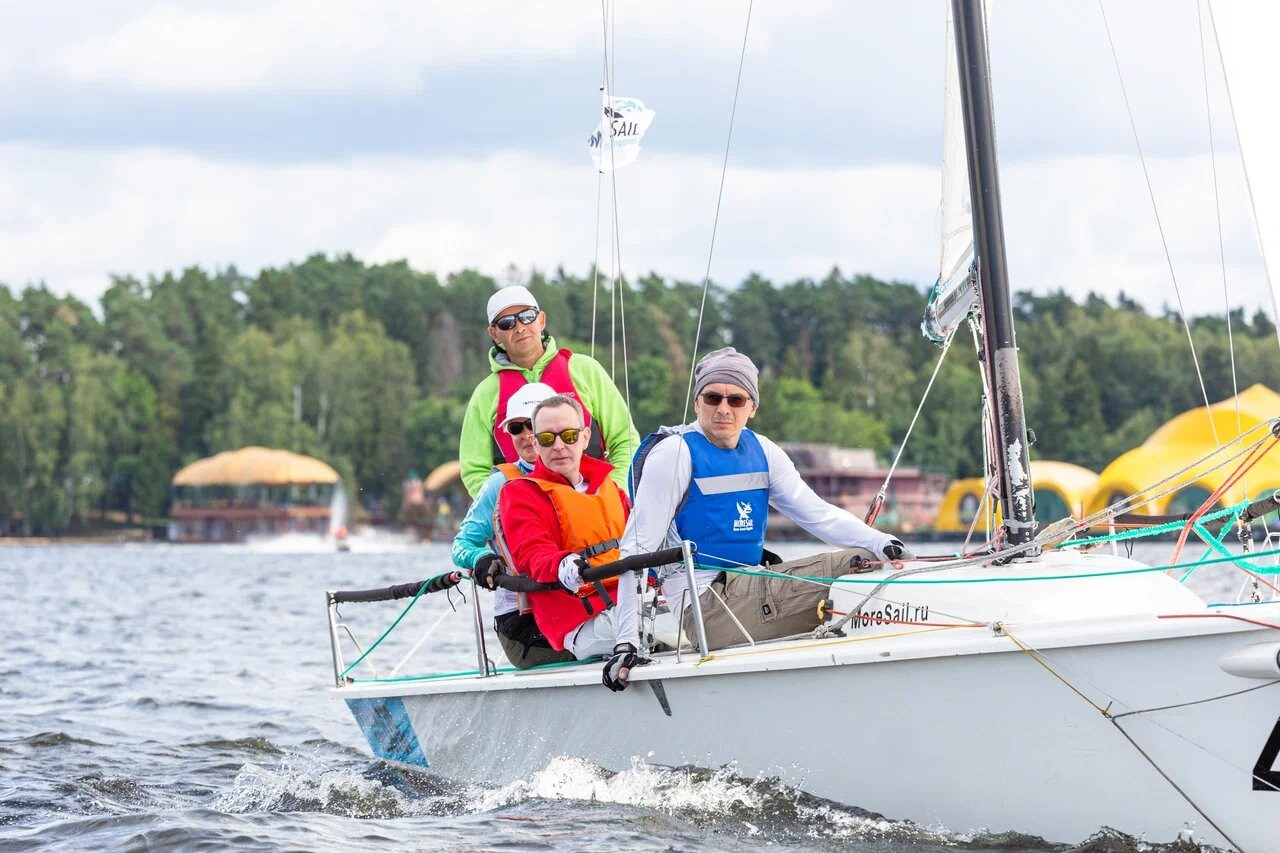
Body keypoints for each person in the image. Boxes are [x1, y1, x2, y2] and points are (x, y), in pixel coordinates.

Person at [611, 346, 914, 680]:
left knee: (873, 558)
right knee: (856, 566)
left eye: (736, 400)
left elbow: (818, 515)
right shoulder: (675, 455)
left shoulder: (764, 451)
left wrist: (881, 541)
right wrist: (626, 644)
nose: (723, 409)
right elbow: (635, 551)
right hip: (706, 607)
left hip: (750, 589)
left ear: (752, 407)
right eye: (712, 398)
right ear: (697, 402)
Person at [493, 394, 638, 685]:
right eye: (547, 439)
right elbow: (531, 553)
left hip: (630, 604)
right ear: (535, 444)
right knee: (668, 626)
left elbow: (643, 539)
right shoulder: (520, 493)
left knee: (686, 613)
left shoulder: (612, 489)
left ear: (585, 437)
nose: (559, 446)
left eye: (569, 436)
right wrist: (564, 564)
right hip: (580, 623)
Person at [458, 285, 641, 498]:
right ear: (494, 334)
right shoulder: (485, 394)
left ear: (541, 320)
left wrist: (613, 494)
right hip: (524, 515)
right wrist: (508, 508)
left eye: (527, 316)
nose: (519, 328)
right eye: (507, 323)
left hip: (594, 505)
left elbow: (625, 440)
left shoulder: (585, 370)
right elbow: (474, 470)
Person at [451, 382, 575, 668]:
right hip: (523, 620)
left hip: (579, 606)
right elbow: (461, 545)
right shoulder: (499, 484)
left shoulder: (582, 476)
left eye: (532, 424)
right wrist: (482, 558)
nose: (527, 435)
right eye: (516, 428)